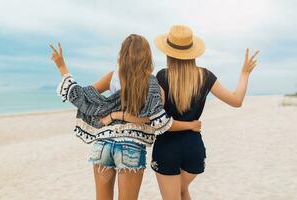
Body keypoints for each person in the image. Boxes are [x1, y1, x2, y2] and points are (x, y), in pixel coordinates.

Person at [106, 25, 259, 200]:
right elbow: (236, 100)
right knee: (181, 191)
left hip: (167, 149)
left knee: (174, 194)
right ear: (192, 51)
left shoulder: (162, 77)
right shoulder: (206, 76)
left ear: (168, 51)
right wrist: (245, 73)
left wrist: (117, 113)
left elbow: (156, 120)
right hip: (194, 148)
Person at [50, 34, 202, 200]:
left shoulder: (112, 76)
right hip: (131, 146)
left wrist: (62, 67)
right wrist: (191, 125)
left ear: (122, 55)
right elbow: (157, 121)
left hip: (103, 145)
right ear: (147, 56)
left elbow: (83, 97)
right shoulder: (151, 84)